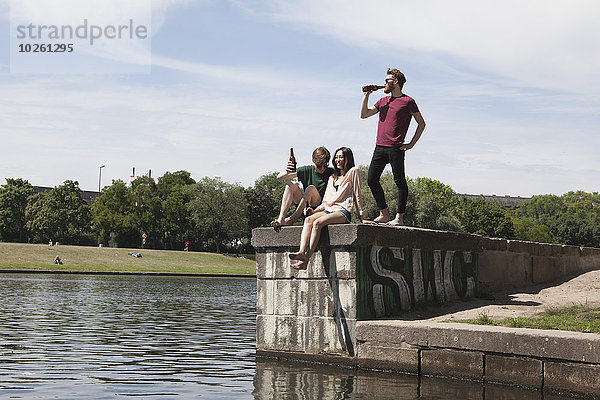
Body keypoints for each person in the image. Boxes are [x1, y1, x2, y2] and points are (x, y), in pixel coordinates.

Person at [360, 68, 426, 225]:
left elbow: (421, 123)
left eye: (387, 80)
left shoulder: (408, 101)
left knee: (400, 182)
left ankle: (399, 218)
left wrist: (411, 144)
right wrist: (366, 96)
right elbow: (364, 114)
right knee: (371, 179)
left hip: (396, 148)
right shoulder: (383, 101)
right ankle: (384, 214)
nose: (384, 83)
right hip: (380, 147)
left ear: (395, 82)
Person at [289, 147, 365, 270]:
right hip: (328, 209)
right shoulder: (332, 176)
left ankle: (306, 259)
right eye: (336, 157)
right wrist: (316, 210)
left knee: (318, 223)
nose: (338, 160)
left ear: (348, 158)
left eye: (341, 157)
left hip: (342, 211)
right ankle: (302, 252)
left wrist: (362, 216)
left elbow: (357, 193)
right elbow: (326, 200)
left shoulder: (353, 171)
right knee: (308, 220)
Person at [271, 146, 334, 228]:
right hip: (304, 206)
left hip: (319, 207)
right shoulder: (307, 170)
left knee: (310, 188)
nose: (322, 169)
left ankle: (291, 219)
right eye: (319, 166)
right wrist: (287, 172)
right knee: (291, 184)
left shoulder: (331, 172)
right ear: (313, 161)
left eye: (325, 166)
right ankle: (281, 219)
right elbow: (279, 177)